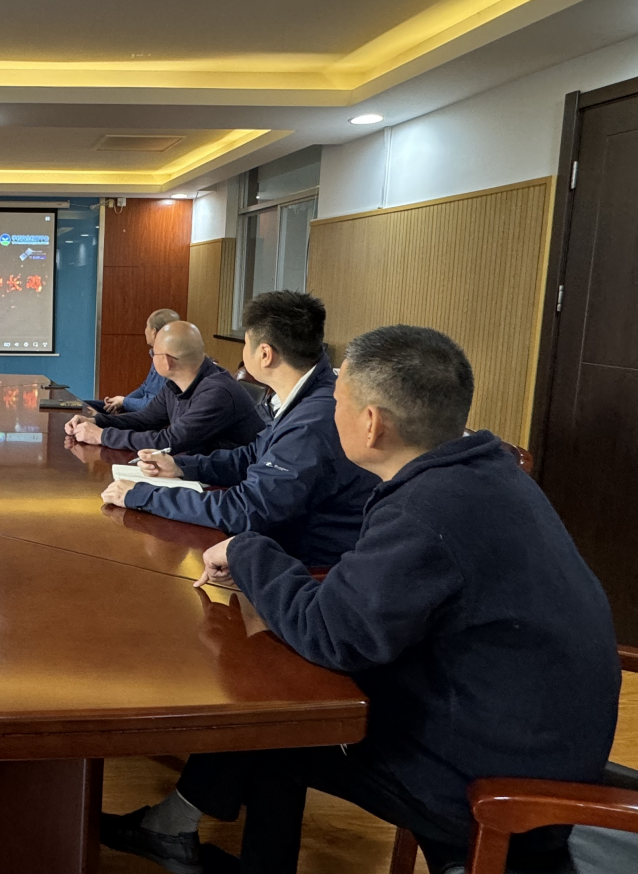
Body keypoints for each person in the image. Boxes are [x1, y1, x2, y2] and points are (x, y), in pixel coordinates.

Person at [101, 325, 621, 874]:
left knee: (280, 728)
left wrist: (249, 551)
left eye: (337, 402)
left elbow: (333, 635)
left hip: (496, 784)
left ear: (371, 423)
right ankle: (174, 830)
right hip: (531, 734)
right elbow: (370, 601)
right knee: (278, 704)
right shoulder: (481, 471)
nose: (329, 413)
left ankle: (182, 836)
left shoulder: (426, 511)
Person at [101, 290, 376, 569]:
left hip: (307, 567)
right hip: (278, 545)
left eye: (246, 343)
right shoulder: (308, 395)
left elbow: (246, 509)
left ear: (265, 354)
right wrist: (181, 466)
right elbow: (251, 456)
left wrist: (141, 495)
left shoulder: (313, 419)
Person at [66, 322, 263, 455]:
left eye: (153, 353)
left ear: (167, 361)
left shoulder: (217, 393)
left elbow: (169, 441)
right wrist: (96, 421)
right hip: (197, 468)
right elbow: (144, 420)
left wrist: (101, 435)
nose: (151, 357)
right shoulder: (175, 383)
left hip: (231, 485)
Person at [96, 308, 181, 413]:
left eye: (146, 326)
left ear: (154, 332)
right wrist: (121, 403)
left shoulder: (169, 362)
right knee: (88, 405)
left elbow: (155, 406)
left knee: (94, 418)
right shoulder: (157, 354)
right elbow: (144, 389)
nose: (145, 330)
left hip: (148, 415)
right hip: (140, 409)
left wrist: (124, 402)